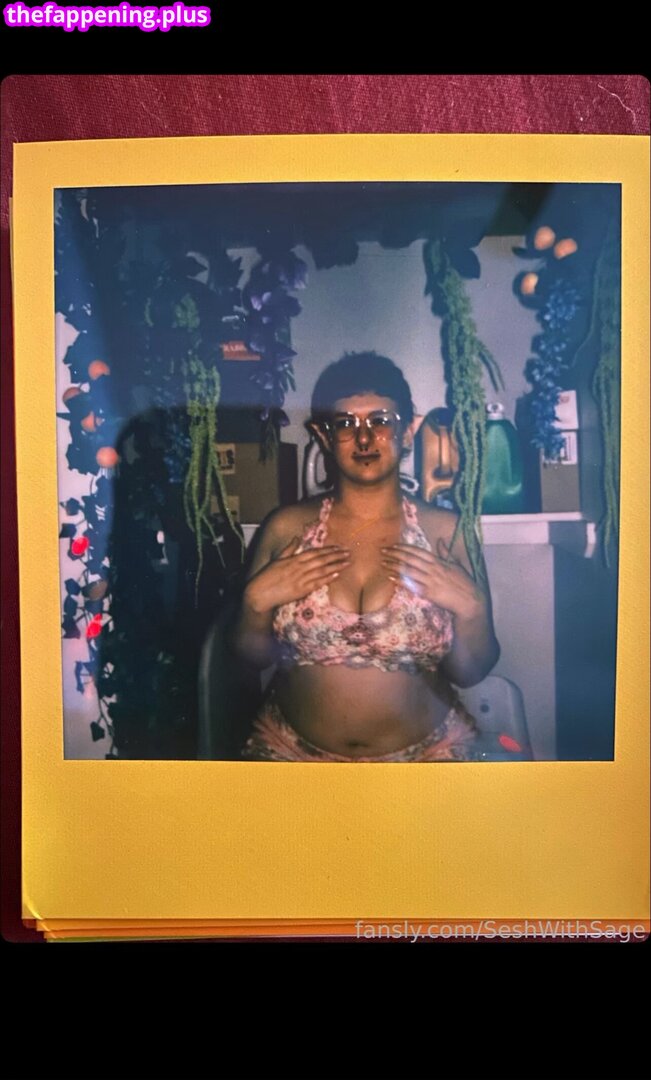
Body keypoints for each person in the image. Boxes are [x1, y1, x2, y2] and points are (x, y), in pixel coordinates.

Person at [232, 352, 500, 762]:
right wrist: (254, 603)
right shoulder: (286, 529)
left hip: (427, 759)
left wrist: (472, 609)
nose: (363, 439)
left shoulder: (448, 533)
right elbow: (251, 659)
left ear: (408, 431)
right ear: (324, 436)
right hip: (289, 754)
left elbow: (471, 673)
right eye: (345, 424)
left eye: (380, 421)